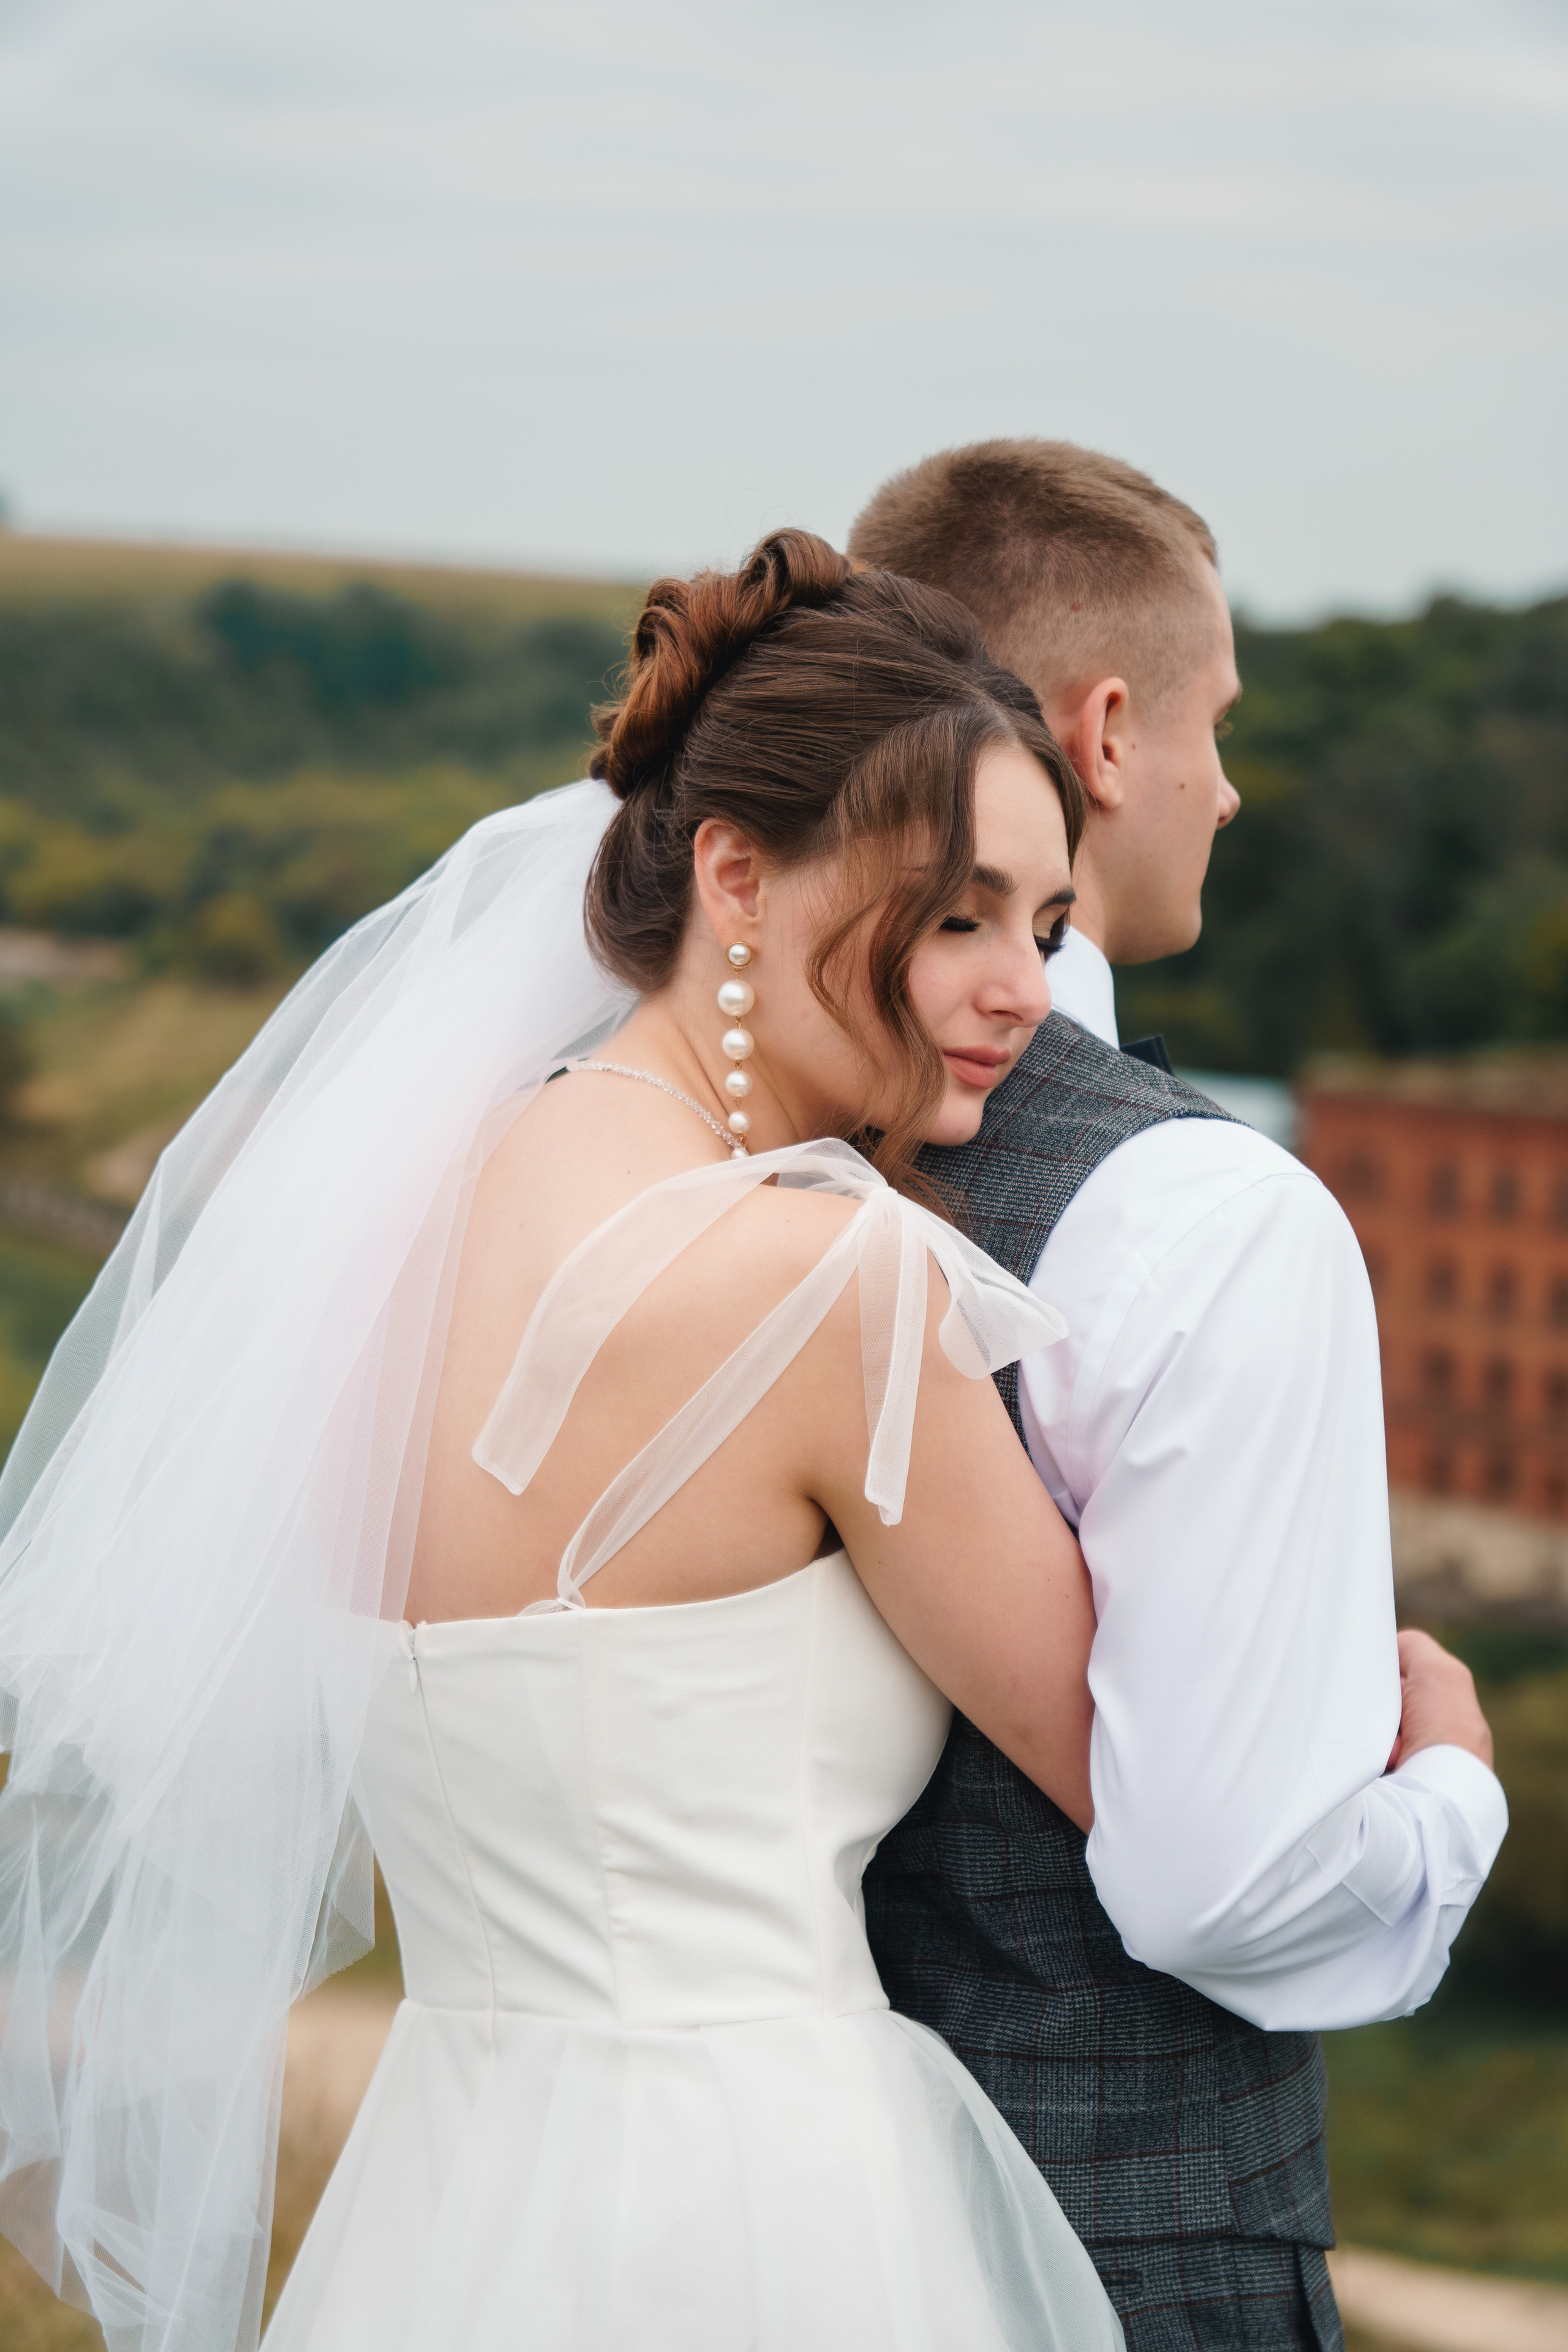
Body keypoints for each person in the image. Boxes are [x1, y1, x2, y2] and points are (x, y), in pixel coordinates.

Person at [0, 531, 1130, 2351]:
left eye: (1045, 928)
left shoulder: (387, 1232)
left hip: (442, 2200)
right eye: (956, 914)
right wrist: (1434, 1731)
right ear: (736, 872)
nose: (1020, 989)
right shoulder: (829, 1283)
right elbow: (1136, 1770)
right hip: (767, 2199)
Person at [849, 440, 1509, 2352]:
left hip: (770, 2214)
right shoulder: (1210, 1213)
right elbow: (1233, 1888)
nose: (1232, 785)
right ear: (1110, 734)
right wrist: (1451, 1782)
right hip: (1131, 2249)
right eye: (1220, 725)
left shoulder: (699, 1140)